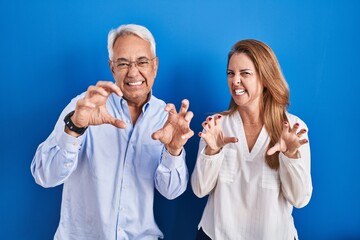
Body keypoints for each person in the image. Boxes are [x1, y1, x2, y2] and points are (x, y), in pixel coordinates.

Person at [31, 24, 194, 240]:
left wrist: (173, 151)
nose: (133, 72)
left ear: (155, 66)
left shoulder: (166, 117)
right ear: (112, 68)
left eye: (142, 62)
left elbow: (171, 191)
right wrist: (75, 128)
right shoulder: (85, 107)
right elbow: (44, 175)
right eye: (123, 63)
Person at [191, 39, 312, 240]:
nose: (235, 81)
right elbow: (199, 190)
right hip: (215, 235)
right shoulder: (216, 125)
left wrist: (290, 156)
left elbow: (299, 199)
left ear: (265, 78)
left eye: (244, 73)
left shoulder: (292, 129)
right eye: (231, 73)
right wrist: (212, 152)